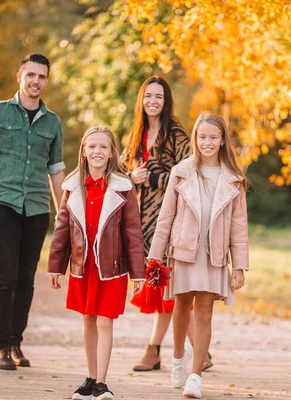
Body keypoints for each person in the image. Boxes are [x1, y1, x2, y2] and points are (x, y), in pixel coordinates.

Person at [0, 54, 65, 370]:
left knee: (26, 278)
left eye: (42, 76)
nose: (36, 81)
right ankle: (1, 346)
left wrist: (63, 214)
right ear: (19, 75)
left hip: (36, 208)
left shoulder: (53, 122)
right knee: (6, 273)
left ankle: (16, 343)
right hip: (2, 203)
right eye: (31, 74)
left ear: (47, 81)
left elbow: (56, 169)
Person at [148, 113, 249, 398]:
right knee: (181, 308)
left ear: (222, 141)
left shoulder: (234, 180)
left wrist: (239, 266)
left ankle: (195, 375)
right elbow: (165, 217)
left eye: (213, 137)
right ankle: (178, 358)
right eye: (202, 137)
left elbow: (239, 226)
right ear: (195, 139)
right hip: (183, 253)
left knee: (204, 312)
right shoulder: (181, 172)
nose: (207, 142)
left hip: (214, 255)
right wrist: (155, 256)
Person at [48, 125, 145, 400]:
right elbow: (61, 228)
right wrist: (56, 265)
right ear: (84, 150)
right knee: (88, 320)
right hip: (83, 265)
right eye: (92, 146)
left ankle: (102, 383)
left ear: (112, 152)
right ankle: (89, 380)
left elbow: (133, 232)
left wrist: (138, 273)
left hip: (111, 269)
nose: (97, 151)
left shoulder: (123, 187)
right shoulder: (72, 186)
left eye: (103, 146)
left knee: (105, 321)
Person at [123, 76, 212, 372]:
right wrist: (132, 176)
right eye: (148, 95)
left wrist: (151, 178)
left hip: (173, 220)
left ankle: (154, 349)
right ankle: (201, 350)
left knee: (165, 286)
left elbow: (190, 174)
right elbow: (123, 170)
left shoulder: (176, 134)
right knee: (161, 285)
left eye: (158, 96)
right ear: (141, 99)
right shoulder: (137, 133)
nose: (153, 101)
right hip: (144, 223)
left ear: (166, 100)